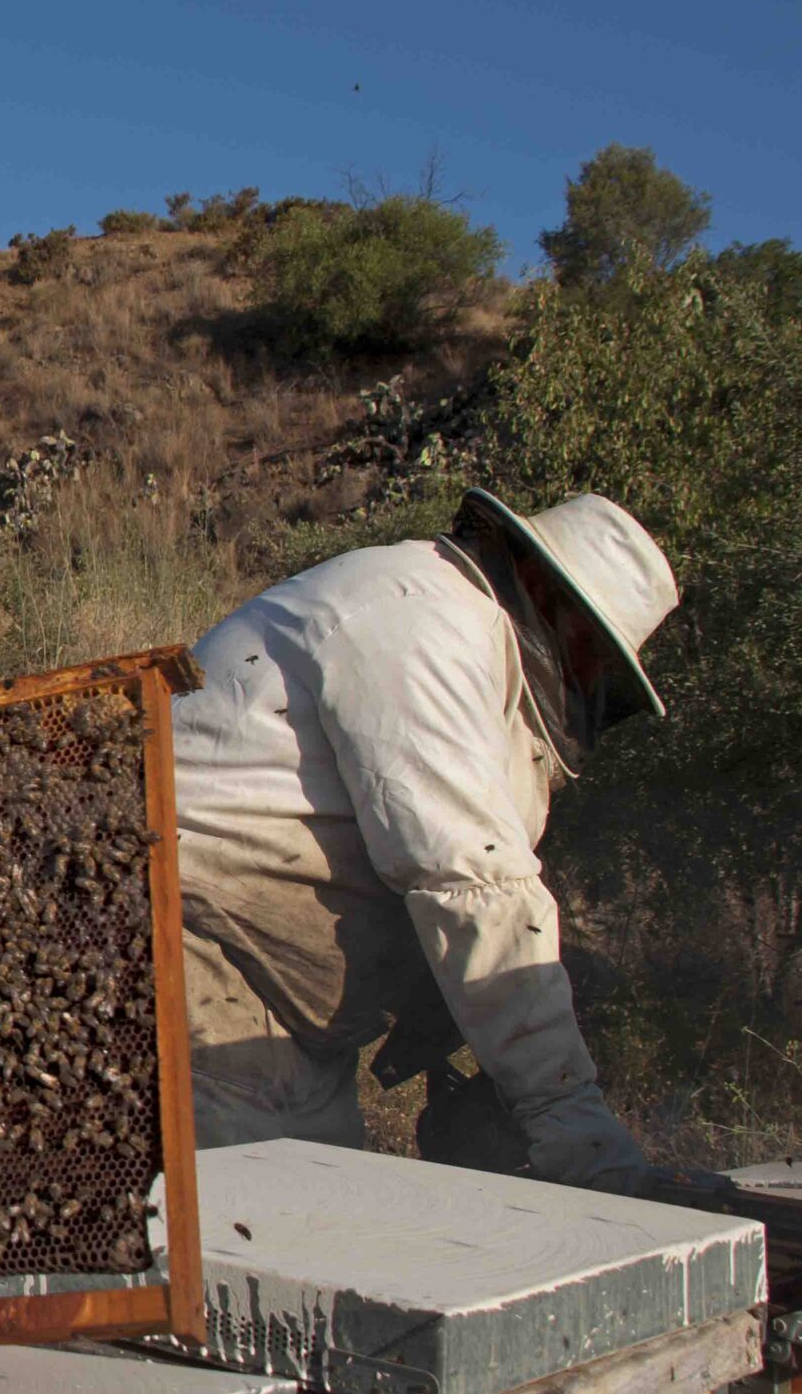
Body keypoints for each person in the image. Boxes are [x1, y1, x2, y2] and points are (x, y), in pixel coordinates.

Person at [172, 488, 675, 1191]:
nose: (587, 675)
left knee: (322, 1238)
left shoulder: (462, 644)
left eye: (601, 669)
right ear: (539, 585)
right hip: (185, 944)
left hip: (277, 1014)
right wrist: (570, 1122)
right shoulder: (420, 621)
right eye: (588, 650)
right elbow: (474, 884)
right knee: (250, 1243)